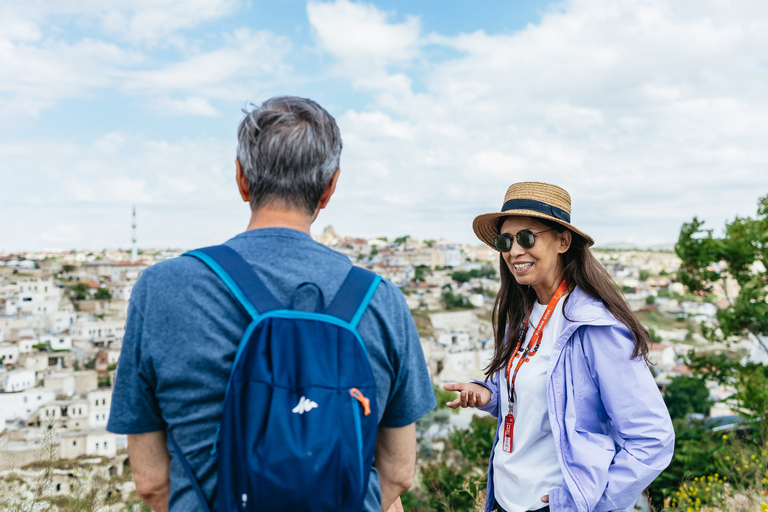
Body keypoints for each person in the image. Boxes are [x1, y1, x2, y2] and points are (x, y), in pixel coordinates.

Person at [107, 96, 436, 511]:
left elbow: (152, 482)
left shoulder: (161, 289)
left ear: (241, 179)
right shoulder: (381, 300)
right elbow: (399, 472)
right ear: (330, 187)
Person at [443, 182, 674, 512]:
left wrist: (585, 501)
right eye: (505, 241)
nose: (514, 250)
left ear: (563, 240)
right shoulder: (521, 317)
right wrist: (488, 394)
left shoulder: (594, 328)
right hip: (504, 499)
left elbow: (653, 439)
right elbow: (536, 396)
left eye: (526, 237)